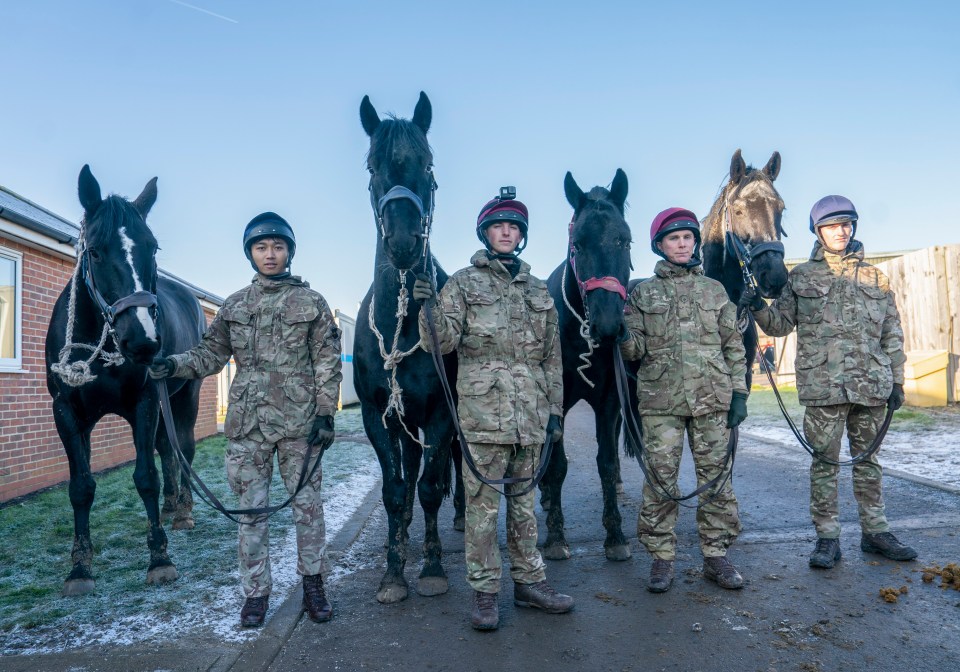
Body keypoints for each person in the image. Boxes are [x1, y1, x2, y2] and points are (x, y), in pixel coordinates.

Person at [148, 212, 342, 626]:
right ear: (250, 254)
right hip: (248, 427)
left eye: (277, 246)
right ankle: (256, 594)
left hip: (299, 426)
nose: (270, 254)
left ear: (289, 252)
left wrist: (325, 413)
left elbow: (327, 362)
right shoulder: (235, 305)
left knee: (307, 509)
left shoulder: (312, 303)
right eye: (261, 247)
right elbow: (209, 355)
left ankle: (314, 585)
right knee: (251, 513)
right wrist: (174, 364)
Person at [412, 188, 573, 631]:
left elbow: (552, 357)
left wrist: (555, 412)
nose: (507, 232)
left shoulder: (538, 290)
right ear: (485, 232)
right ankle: (485, 593)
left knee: (524, 507)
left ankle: (530, 584)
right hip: (483, 417)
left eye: (514, 226)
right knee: (482, 509)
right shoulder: (463, 283)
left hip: (531, 418)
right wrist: (427, 306)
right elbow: (439, 342)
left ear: (521, 236)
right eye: (499, 226)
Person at [741, 195, 917, 569]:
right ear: (818, 231)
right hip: (824, 388)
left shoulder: (875, 277)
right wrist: (756, 305)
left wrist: (897, 381)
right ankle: (827, 538)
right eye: (833, 225)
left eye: (847, 223)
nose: (842, 230)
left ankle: (876, 531)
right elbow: (780, 325)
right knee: (825, 464)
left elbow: (892, 332)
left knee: (868, 462)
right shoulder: (801, 277)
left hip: (871, 386)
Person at [619, 207, 748, 594]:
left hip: (712, 400)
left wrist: (739, 393)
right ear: (660, 245)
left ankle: (716, 555)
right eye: (673, 238)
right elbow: (634, 350)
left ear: (694, 242)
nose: (681, 243)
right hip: (662, 403)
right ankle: (662, 558)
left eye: (687, 237)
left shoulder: (714, 291)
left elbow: (733, 347)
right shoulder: (643, 293)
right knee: (661, 481)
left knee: (717, 481)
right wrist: (620, 330)